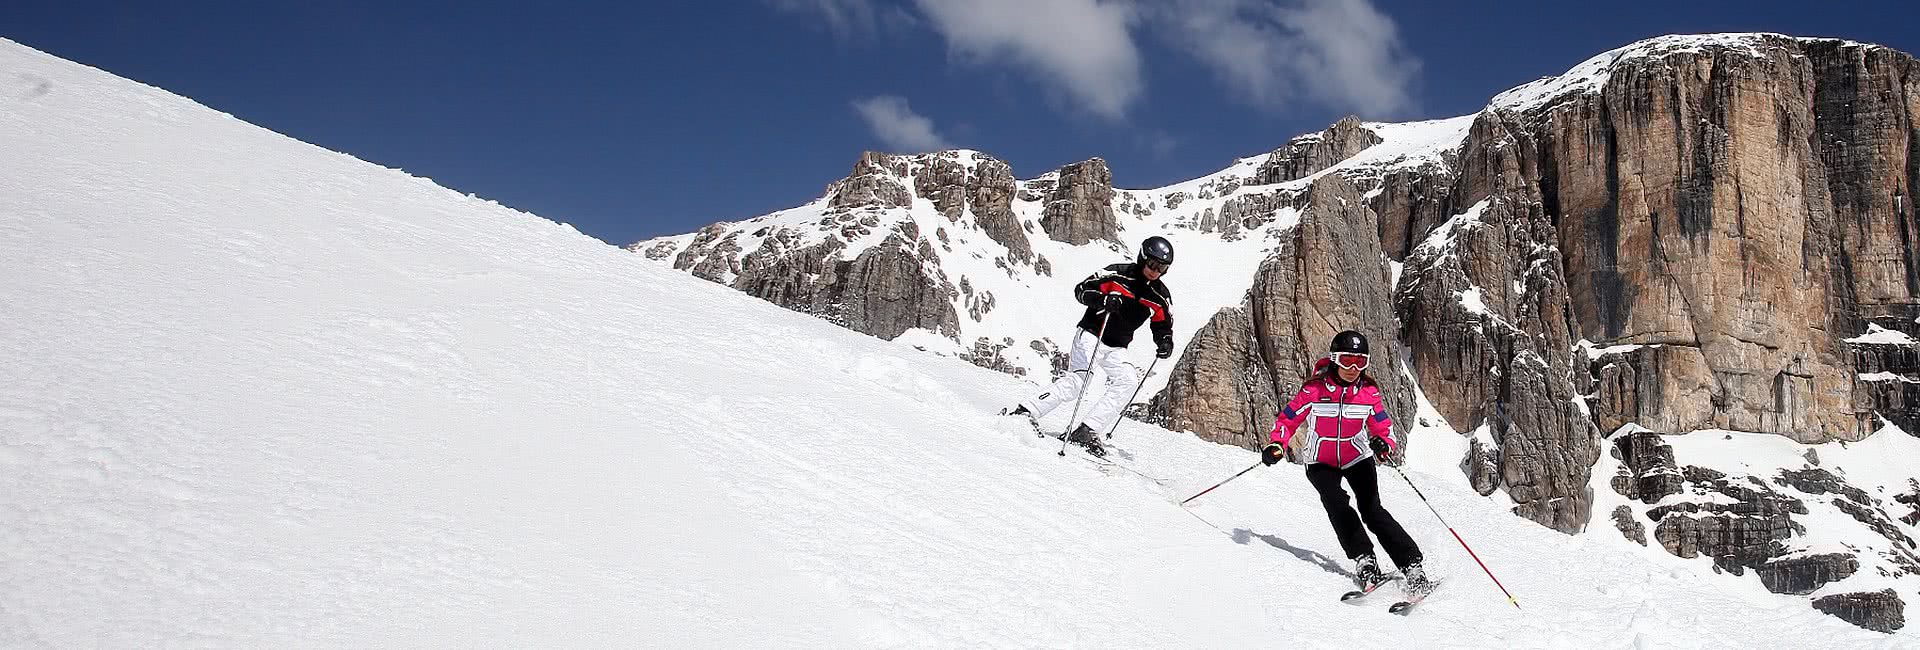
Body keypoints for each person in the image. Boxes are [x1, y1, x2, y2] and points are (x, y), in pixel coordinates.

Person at [1260, 330, 1431, 595]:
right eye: (1347, 360)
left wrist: (1384, 444)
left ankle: (1412, 566)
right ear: (1334, 359)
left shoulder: (1368, 393)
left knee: (1372, 511)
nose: (1353, 368)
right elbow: (1287, 419)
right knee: (1337, 504)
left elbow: (1383, 427)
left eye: (1360, 362)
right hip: (1320, 461)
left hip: (1357, 457)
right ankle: (1365, 559)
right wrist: (1277, 443)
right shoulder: (1313, 390)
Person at [1004, 236, 1175, 458]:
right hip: (1093, 333)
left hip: (1117, 347)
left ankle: (1087, 430)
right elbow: (1082, 290)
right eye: (1152, 264)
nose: (1155, 271)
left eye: (1161, 267)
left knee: (1128, 381)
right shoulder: (1117, 274)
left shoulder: (1160, 295)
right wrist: (1103, 301)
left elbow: (1162, 324)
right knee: (1078, 381)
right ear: (1142, 259)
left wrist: (1165, 341)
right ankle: (1026, 412)